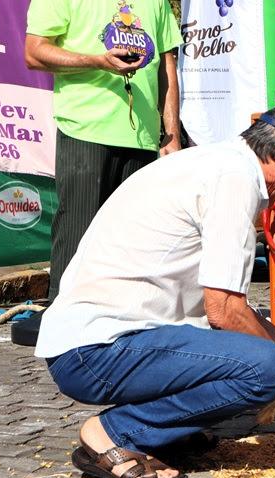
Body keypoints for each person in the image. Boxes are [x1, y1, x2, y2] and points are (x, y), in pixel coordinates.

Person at [34, 105, 275, 478]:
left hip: (94, 342)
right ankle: (112, 432)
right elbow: (225, 312)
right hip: (98, 349)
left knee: (263, 357)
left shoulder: (215, 162)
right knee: (267, 369)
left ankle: (165, 433)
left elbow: (229, 309)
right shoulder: (236, 180)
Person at [18, 0, 183, 345]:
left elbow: (167, 65)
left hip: (142, 137)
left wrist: (171, 134)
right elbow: (35, 52)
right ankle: (64, 323)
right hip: (85, 128)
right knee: (78, 230)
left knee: (138, 239)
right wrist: (96, 61)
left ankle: (127, 321)